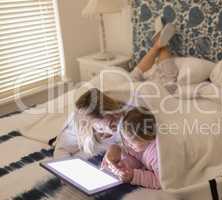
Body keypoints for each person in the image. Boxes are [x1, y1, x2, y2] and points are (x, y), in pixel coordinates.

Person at [53, 18, 178, 158]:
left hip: (127, 93)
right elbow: (61, 149)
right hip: (114, 92)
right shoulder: (79, 124)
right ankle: (159, 43)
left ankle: (161, 44)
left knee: (169, 85)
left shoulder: (128, 114)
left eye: (115, 116)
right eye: (110, 122)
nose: (116, 120)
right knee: (133, 76)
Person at [101, 107, 161, 189]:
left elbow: (161, 181)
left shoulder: (157, 155)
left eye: (131, 142)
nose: (128, 144)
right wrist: (121, 164)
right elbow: (135, 155)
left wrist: (134, 176)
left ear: (145, 136)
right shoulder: (141, 145)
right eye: (125, 140)